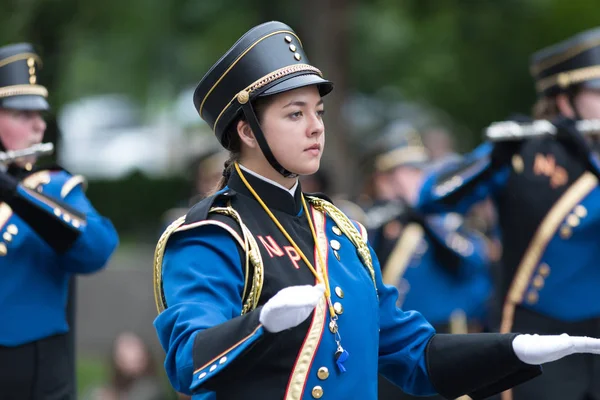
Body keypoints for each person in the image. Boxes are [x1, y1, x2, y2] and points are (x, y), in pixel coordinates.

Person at [153, 22, 600, 400]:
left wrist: (514, 349)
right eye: (294, 114)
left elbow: (414, 354)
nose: (316, 128)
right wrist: (258, 326)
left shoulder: (339, 229)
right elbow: (188, 356)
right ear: (247, 131)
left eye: (319, 112)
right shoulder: (213, 234)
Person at [418, 27, 600, 400]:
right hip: (542, 340)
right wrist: (495, 159)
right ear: (564, 100)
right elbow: (433, 199)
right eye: (598, 92)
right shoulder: (527, 149)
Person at [0, 43, 119, 399]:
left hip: (32, 372)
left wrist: (14, 192)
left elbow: (98, 247)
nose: (39, 125)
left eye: (40, 114)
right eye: (22, 114)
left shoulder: (53, 188)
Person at [364, 123, 493, 400]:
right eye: (408, 172)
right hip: (387, 346)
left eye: (420, 170)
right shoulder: (365, 224)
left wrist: (423, 217)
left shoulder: (443, 224)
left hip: (442, 340)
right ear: (383, 180)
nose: (418, 178)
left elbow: (473, 262)